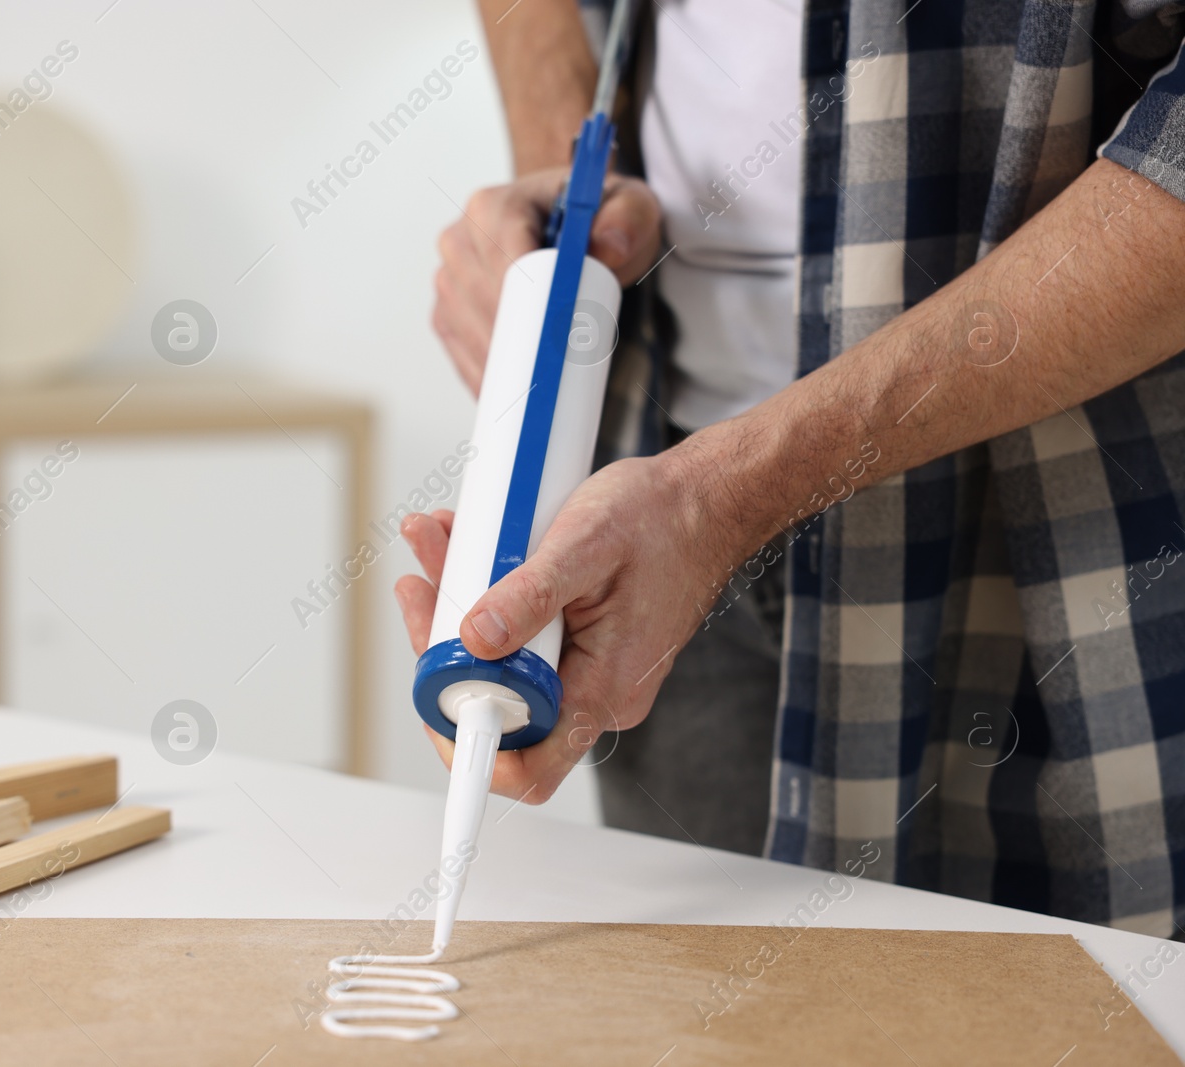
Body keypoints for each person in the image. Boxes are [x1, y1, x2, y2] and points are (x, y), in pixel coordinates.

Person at [395, 0, 1185, 938]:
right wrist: (574, 183)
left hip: (1054, 537)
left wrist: (725, 494)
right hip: (645, 527)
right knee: (693, 1010)